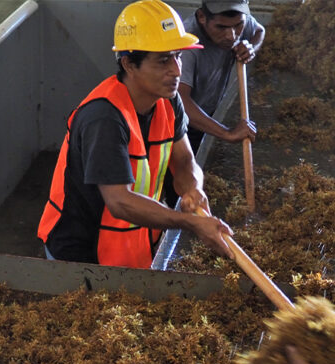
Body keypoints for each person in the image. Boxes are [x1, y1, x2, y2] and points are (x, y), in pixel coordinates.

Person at [37, 0, 234, 268]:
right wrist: (190, 223)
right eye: (163, 60)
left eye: (177, 56)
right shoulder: (103, 117)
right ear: (129, 64)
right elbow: (120, 202)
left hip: (133, 241)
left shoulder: (168, 99)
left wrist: (194, 189)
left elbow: (185, 160)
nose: (176, 70)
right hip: (82, 254)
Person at [178, 1, 265, 152]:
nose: (231, 36)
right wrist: (227, 133)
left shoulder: (239, 22)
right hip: (180, 122)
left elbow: (259, 31)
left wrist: (251, 48)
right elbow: (180, 102)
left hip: (206, 111)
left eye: (238, 26)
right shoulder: (187, 43)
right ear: (202, 17)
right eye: (221, 27)